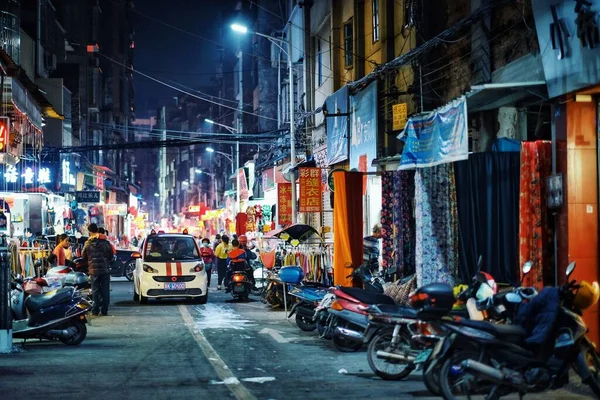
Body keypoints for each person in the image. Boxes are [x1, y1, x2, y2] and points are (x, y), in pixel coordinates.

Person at [82, 223, 114, 316]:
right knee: (105, 290)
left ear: (90, 232)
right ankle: (104, 310)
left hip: (93, 271)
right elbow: (111, 256)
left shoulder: (88, 243)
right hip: (105, 270)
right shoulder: (106, 243)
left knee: (95, 290)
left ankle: (95, 310)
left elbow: (83, 256)